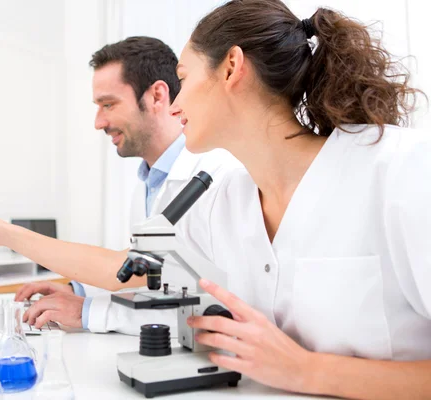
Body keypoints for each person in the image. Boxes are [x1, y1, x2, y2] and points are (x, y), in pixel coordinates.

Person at [162, 0, 429, 399]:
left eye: (183, 78)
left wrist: (306, 371)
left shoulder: (399, 169)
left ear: (232, 67)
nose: (174, 104)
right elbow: (140, 271)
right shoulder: (223, 203)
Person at [0, 36, 238, 334]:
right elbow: (149, 276)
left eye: (108, 104)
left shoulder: (211, 174)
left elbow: (192, 294)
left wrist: (88, 311)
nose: (99, 122)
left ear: (157, 96)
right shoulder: (148, 182)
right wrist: (79, 291)